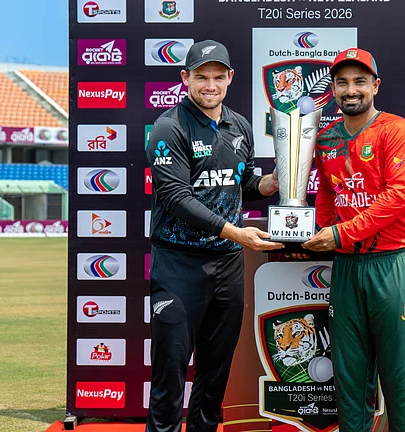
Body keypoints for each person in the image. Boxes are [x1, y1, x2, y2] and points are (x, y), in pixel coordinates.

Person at [145, 39, 283, 432]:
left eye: (218, 77)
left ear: (230, 79)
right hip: (178, 266)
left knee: (214, 374)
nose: (210, 85)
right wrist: (236, 233)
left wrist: (271, 183)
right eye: (201, 77)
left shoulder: (239, 125)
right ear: (185, 78)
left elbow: (241, 183)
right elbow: (175, 197)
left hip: (226, 267)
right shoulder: (168, 127)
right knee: (169, 374)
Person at [302, 48, 405, 432]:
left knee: (401, 380)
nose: (350, 90)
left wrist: (339, 233)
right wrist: (320, 230)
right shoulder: (325, 138)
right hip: (347, 268)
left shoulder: (397, 130)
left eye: (359, 81)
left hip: (394, 264)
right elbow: (326, 193)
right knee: (350, 381)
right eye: (341, 83)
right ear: (333, 90)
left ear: (375, 85)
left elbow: (398, 197)